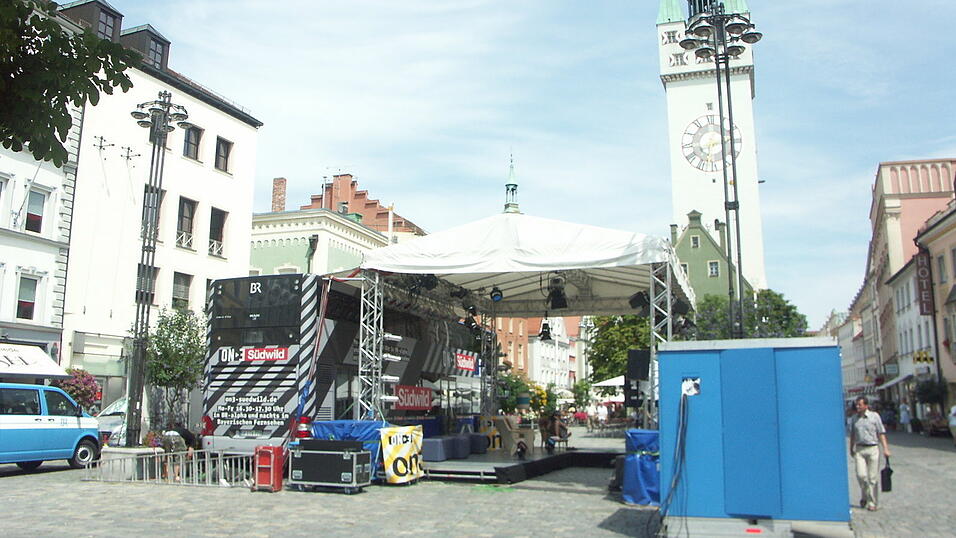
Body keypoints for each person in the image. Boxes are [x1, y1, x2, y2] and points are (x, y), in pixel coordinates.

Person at [849, 397, 891, 511]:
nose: (857, 407)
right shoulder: (854, 418)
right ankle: (864, 494)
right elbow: (852, 434)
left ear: (866, 405)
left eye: (860, 405)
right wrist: (851, 448)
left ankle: (872, 502)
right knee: (861, 475)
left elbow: (881, 433)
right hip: (860, 449)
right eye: (857, 405)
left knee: (872, 477)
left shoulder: (874, 416)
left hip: (873, 448)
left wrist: (886, 449)